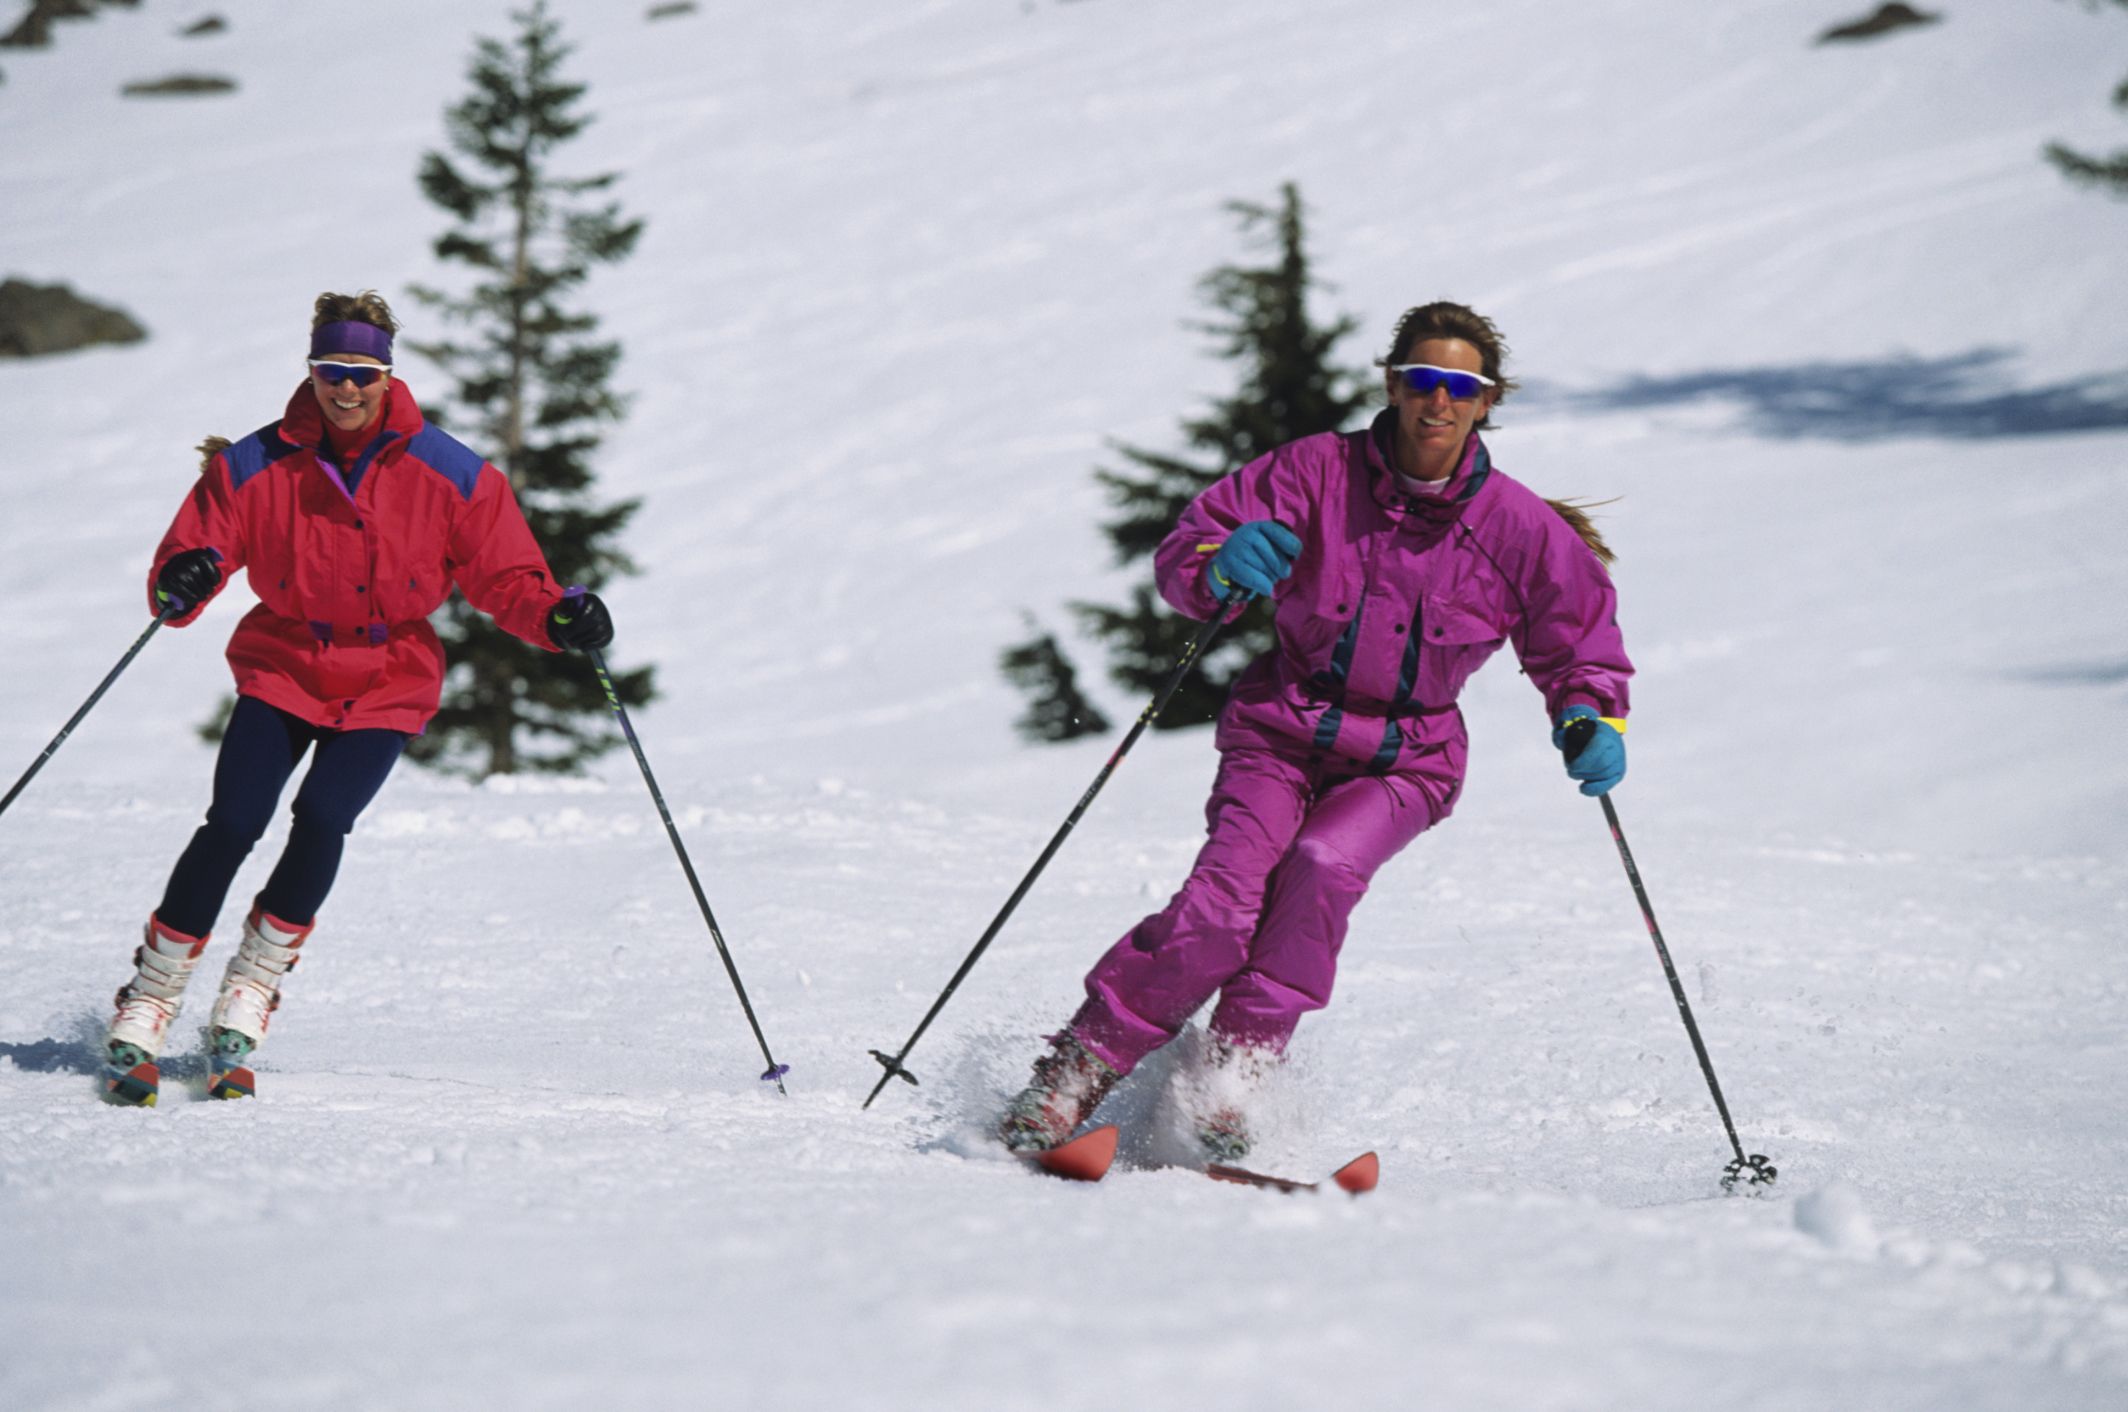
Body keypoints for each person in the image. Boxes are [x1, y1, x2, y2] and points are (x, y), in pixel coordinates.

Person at [1000, 300, 1633, 1159]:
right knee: (1219, 912)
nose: (1436, 402)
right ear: (1392, 384)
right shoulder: (1316, 474)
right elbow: (1192, 548)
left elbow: (1578, 641)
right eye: (1421, 381)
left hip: (1405, 761)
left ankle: (1234, 1075)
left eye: (1459, 386)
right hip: (1281, 732)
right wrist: (1216, 566)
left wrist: (1589, 713)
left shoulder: (1520, 532)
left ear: (1487, 402)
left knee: (1322, 867)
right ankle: (1072, 1075)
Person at [102, 290, 616, 1106]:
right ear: (311, 372)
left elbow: (505, 575)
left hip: (387, 676)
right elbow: (197, 547)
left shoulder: (449, 471)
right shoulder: (257, 462)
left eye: (363, 374)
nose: (346, 389)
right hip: (285, 662)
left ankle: (251, 989)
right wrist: (183, 579)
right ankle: (153, 994)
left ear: (387, 374)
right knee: (235, 819)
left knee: (324, 816)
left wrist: (557, 616)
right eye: (331, 372)